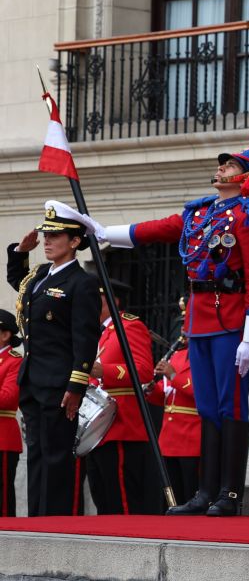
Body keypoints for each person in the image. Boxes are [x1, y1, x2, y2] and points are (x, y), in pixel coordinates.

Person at [97, 138, 249, 516]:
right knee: (208, 408)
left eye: (230, 165)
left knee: (231, 407)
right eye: (223, 164)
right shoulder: (200, 214)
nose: (221, 168)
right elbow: (154, 229)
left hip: (230, 320)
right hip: (199, 319)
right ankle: (204, 492)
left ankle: (229, 493)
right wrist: (101, 231)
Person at [6, 201, 102, 516]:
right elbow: (20, 288)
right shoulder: (41, 274)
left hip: (60, 383)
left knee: (56, 457)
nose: (47, 241)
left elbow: (86, 338)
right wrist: (20, 252)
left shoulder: (82, 282)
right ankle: (36, 520)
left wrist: (75, 386)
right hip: (33, 381)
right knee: (36, 454)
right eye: (46, 234)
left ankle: (53, 523)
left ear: (75, 241)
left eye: (55, 235)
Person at [85, 286, 154, 514]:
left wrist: (104, 370)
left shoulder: (129, 326)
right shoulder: (98, 332)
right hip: (96, 427)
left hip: (122, 424)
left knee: (122, 500)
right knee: (101, 495)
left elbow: (143, 371)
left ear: (112, 300)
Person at [144, 328, 201, 506]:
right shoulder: (176, 356)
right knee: (171, 495)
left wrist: (173, 375)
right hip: (169, 438)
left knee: (190, 491)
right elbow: (167, 392)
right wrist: (152, 390)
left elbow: (198, 392)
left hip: (191, 436)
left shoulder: (206, 358)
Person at [0, 309, 23, 517]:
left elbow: (7, 397)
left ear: (5, 335)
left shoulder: (13, 361)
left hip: (3, 438)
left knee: (2, 502)